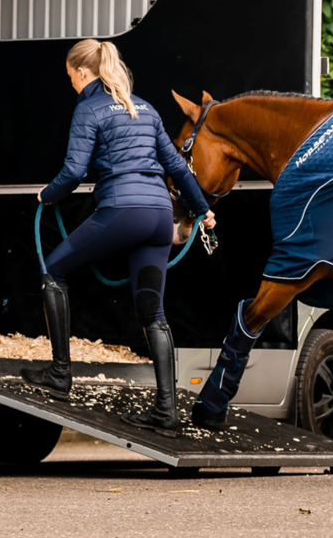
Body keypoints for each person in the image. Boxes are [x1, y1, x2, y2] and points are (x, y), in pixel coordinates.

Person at [21, 38, 215, 437]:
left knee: (54, 270)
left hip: (122, 210)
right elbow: (178, 167)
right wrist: (202, 210)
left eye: (71, 76)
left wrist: (48, 194)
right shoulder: (143, 106)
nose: (72, 83)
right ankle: (166, 411)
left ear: (81, 72)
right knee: (153, 312)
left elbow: (74, 172)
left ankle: (60, 373)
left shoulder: (88, 107)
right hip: (160, 216)